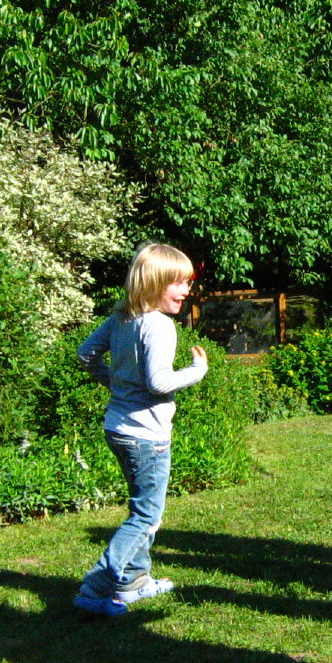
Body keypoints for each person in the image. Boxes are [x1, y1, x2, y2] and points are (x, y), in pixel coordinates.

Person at [74, 243, 208, 617]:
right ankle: (96, 587)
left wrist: (118, 386)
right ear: (153, 283)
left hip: (118, 429)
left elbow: (85, 355)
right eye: (178, 283)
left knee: (141, 507)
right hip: (147, 436)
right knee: (147, 516)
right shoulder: (159, 325)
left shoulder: (121, 318)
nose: (186, 290)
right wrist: (196, 372)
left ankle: (134, 581)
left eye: (188, 282)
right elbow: (159, 382)